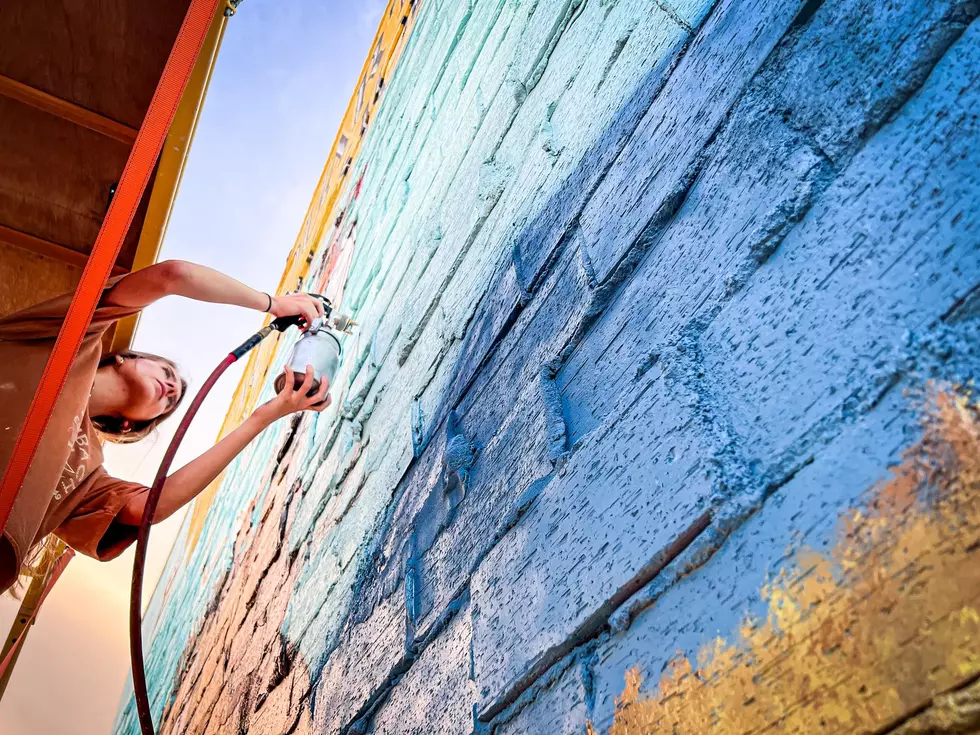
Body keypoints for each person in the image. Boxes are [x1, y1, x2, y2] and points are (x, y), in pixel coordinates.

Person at [0, 260, 331, 594]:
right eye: (166, 373)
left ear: (130, 426)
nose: (171, 389)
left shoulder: (89, 475)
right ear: (124, 357)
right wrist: (273, 304)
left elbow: (152, 507)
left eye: (168, 405)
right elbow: (173, 276)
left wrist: (265, 416)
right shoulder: (69, 336)